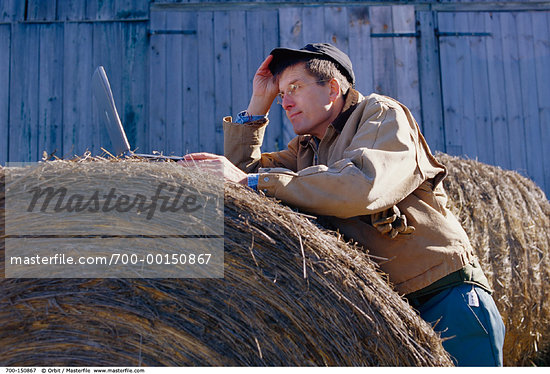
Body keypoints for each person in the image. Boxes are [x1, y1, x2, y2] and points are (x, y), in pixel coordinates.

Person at [183, 43, 505, 366]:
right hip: (392, 316)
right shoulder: (307, 149)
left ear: (333, 89)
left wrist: (251, 182)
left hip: (446, 297)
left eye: (294, 88)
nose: (285, 102)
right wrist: (257, 105)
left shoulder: (380, 114)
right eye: (281, 94)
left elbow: (362, 185)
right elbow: (245, 179)